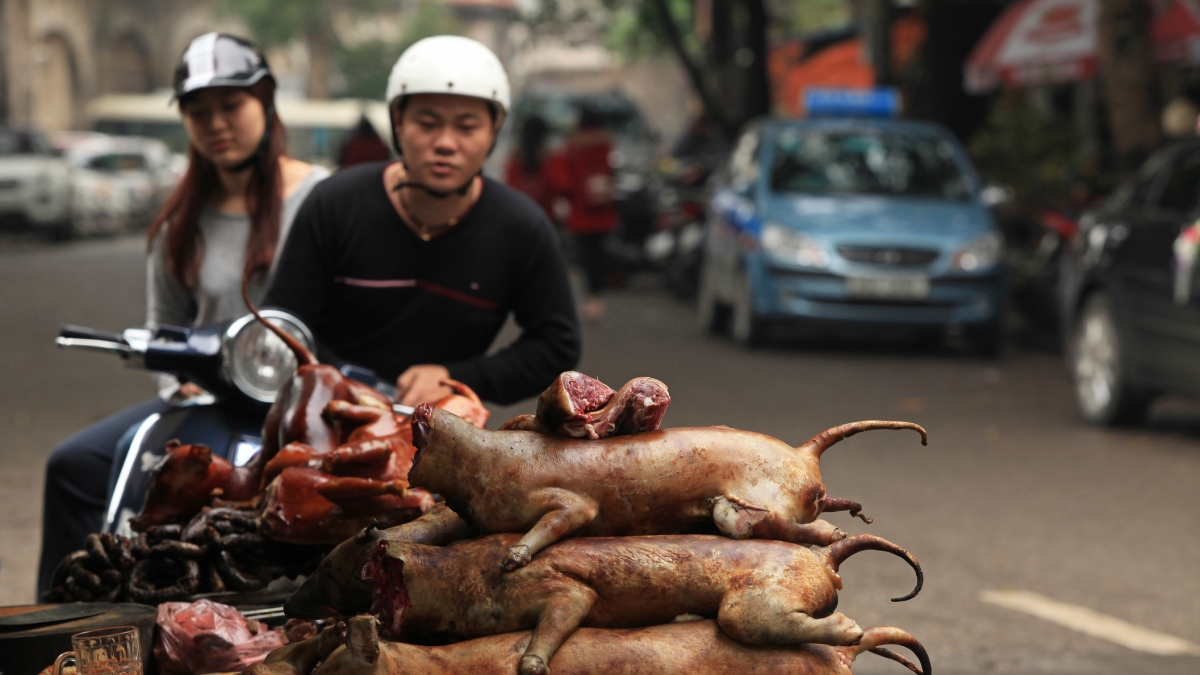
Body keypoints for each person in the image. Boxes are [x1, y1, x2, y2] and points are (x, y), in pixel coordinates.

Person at [37, 33, 329, 595]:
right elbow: (162, 328)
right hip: (210, 400)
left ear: (266, 101)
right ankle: (62, 620)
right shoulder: (178, 222)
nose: (216, 123)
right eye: (199, 111)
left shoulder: (324, 199)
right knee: (72, 464)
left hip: (306, 403)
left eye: (230, 106)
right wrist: (181, 385)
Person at [264, 36, 580, 407]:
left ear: (494, 131)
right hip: (324, 412)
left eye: (467, 127)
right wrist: (347, 386)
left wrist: (457, 378)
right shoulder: (334, 205)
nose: (445, 143)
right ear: (398, 122)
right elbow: (283, 327)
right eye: (427, 123)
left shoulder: (522, 228)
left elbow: (557, 345)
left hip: (445, 429)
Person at [546, 107, 619, 321]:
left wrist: (569, 196)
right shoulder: (607, 146)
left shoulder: (572, 148)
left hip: (580, 214)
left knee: (587, 258)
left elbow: (560, 180)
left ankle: (591, 298)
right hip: (605, 212)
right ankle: (597, 295)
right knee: (600, 255)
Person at [504, 115, 553, 218]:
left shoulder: (515, 159)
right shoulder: (551, 159)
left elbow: (509, 188)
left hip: (519, 215)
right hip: (546, 216)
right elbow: (560, 186)